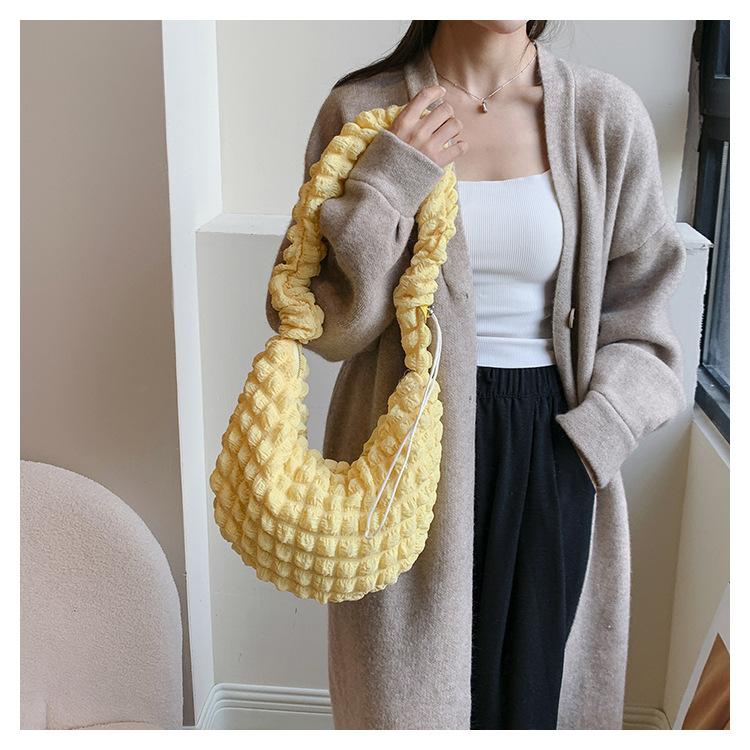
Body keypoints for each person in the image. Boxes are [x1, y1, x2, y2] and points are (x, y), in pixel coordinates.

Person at [266, 20, 687, 730]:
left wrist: (594, 439)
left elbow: (642, 316)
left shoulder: (604, 117)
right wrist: (391, 179)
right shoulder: (362, 111)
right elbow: (321, 321)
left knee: (534, 706)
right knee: (407, 708)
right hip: (403, 454)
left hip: (556, 446)